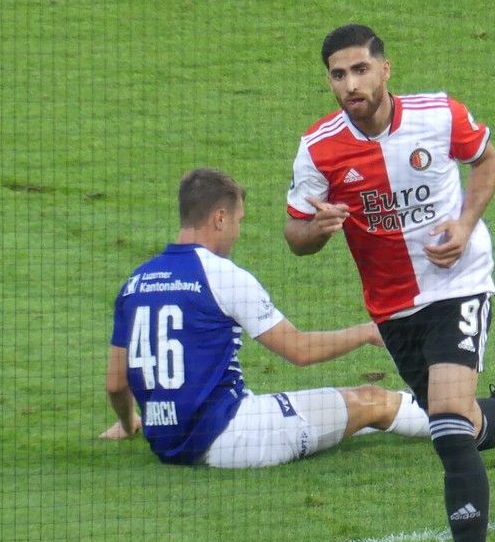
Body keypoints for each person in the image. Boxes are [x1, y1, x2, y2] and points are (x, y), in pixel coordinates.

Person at [284, 23, 495, 542]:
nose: (350, 85)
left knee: (444, 422)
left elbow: (487, 159)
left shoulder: (439, 114)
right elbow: (294, 236)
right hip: (392, 309)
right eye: (338, 75)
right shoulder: (319, 148)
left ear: (386, 70)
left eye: (360, 70)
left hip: (460, 281)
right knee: (461, 422)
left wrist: (466, 223)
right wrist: (319, 229)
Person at [101, 167, 431, 469]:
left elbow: (116, 382)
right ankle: (467, 419)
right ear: (219, 219)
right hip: (234, 437)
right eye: (238, 221)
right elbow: (300, 351)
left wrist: (130, 424)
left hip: (166, 442)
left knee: (349, 413)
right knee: (372, 400)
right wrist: (367, 332)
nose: (238, 233)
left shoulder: (136, 282)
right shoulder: (223, 276)